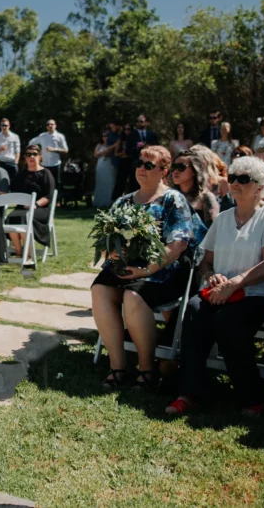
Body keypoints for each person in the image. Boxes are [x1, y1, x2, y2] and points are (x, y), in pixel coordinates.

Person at [165, 156, 264, 417]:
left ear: (260, 186)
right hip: (221, 291)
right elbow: (205, 260)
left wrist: (236, 283)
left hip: (259, 293)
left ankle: (253, 395)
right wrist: (211, 275)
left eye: (243, 179)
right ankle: (190, 392)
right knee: (194, 309)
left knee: (229, 320)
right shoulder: (223, 218)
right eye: (232, 178)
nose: (234, 183)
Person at [91, 146, 204, 390]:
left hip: (164, 268)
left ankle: (147, 370)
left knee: (133, 295)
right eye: (140, 163)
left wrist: (147, 270)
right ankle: (118, 367)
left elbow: (179, 244)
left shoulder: (172, 199)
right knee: (99, 288)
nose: (141, 168)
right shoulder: (124, 201)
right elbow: (106, 238)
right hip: (128, 264)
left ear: (164, 171)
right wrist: (109, 251)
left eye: (149, 165)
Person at [7, 144, 56, 261]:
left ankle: (28, 254)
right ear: (25, 157)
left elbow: (49, 196)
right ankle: (19, 251)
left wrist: (35, 205)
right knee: (11, 218)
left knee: (24, 218)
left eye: (34, 154)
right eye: (28, 154)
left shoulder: (46, 173)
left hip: (40, 208)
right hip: (21, 208)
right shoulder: (21, 175)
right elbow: (14, 191)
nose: (31, 157)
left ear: (39, 156)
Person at [170, 150, 220, 228]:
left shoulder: (205, 197)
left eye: (181, 167)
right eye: (173, 167)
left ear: (194, 170)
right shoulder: (169, 195)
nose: (175, 171)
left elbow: (213, 230)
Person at [29, 118, 68, 188]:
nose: (50, 126)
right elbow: (31, 142)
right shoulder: (42, 136)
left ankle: (55, 198)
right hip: (44, 164)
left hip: (55, 164)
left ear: (55, 125)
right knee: (43, 183)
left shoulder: (60, 136)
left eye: (52, 124)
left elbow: (66, 150)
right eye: (48, 124)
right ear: (46, 127)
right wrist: (36, 151)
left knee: (56, 184)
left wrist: (54, 149)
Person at [124, 114, 160, 193]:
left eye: (141, 121)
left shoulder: (152, 134)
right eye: (137, 122)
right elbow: (127, 150)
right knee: (135, 184)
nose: (139, 123)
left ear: (146, 123)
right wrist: (138, 148)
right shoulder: (131, 135)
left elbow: (158, 148)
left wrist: (148, 147)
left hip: (150, 164)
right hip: (136, 163)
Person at [93, 130, 118, 208]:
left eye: (107, 136)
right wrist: (104, 152)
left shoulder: (113, 145)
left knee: (110, 182)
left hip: (110, 165)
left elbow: (112, 154)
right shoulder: (99, 145)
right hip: (101, 165)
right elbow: (96, 154)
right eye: (104, 136)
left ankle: (109, 202)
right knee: (100, 182)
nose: (105, 137)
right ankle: (99, 202)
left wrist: (106, 152)